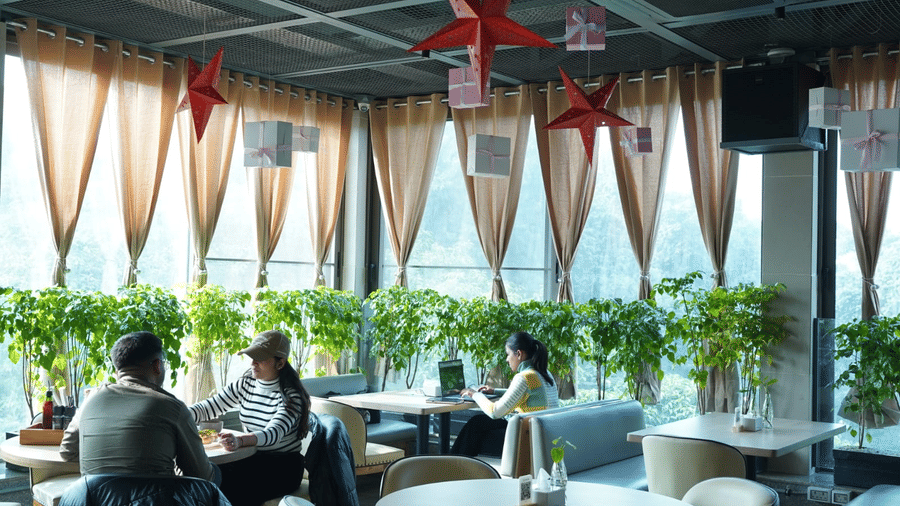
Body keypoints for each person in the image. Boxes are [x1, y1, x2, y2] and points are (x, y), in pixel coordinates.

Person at [60, 331, 220, 484]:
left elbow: (67, 452)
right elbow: (202, 476)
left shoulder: (90, 400)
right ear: (157, 365)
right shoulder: (171, 407)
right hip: (155, 500)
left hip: (95, 500)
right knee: (215, 472)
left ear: (117, 371)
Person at [190, 330, 311, 506]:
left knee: (228, 487)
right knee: (208, 475)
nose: (253, 363)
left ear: (280, 363)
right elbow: (211, 406)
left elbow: (273, 433)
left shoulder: (292, 396)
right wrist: (178, 415)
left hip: (283, 467)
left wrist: (240, 441)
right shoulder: (247, 382)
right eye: (252, 357)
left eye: (260, 358)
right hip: (253, 459)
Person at [451, 331, 559, 456]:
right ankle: (457, 464)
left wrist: (474, 394)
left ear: (518, 354)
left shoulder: (524, 377)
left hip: (526, 438)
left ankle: (453, 465)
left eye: (508, 354)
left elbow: (494, 411)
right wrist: (495, 391)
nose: (507, 360)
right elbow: (526, 393)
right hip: (542, 434)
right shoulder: (542, 373)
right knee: (478, 423)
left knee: (475, 427)